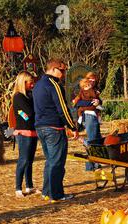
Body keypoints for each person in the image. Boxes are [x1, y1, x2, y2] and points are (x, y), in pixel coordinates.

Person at [33, 59, 79, 203]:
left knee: (50, 161)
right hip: (54, 128)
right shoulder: (54, 85)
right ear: (53, 69)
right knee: (57, 163)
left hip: (41, 127)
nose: (64, 74)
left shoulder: (38, 85)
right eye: (63, 70)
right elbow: (63, 109)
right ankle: (56, 195)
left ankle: (46, 192)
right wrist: (72, 126)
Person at [12, 71, 40, 198]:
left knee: (29, 161)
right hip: (23, 132)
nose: (33, 85)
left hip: (32, 131)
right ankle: (18, 187)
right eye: (31, 82)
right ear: (23, 82)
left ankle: (29, 186)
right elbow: (29, 113)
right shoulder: (18, 96)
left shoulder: (30, 95)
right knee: (23, 160)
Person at [72, 73, 103, 171]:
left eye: (94, 80)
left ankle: (96, 163)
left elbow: (99, 101)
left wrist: (98, 102)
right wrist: (92, 103)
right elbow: (77, 102)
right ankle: (89, 165)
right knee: (92, 140)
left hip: (94, 115)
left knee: (97, 139)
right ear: (86, 79)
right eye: (90, 79)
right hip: (88, 115)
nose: (92, 81)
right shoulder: (81, 89)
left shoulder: (94, 90)